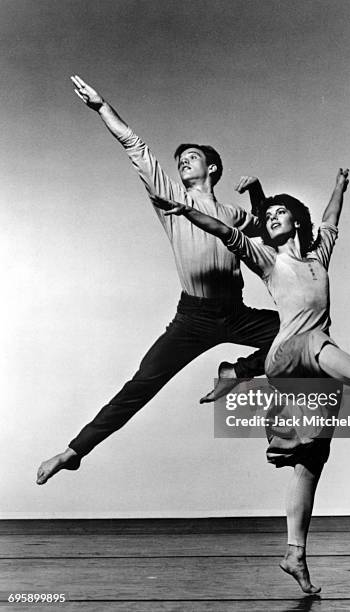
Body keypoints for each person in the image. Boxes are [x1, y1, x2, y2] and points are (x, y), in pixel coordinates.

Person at [150, 168, 350, 594]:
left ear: (296, 220)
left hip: (320, 371)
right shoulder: (268, 260)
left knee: (310, 464)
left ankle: (295, 554)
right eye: (267, 216)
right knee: (316, 336)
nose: (271, 218)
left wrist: (339, 187)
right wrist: (189, 211)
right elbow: (224, 230)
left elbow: (331, 220)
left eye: (279, 212)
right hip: (288, 353)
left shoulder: (318, 257)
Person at [36, 75, 280, 485]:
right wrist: (102, 107)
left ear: (212, 167)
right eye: (180, 158)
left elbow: (269, 228)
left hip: (236, 314)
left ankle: (237, 372)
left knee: (300, 333)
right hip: (194, 317)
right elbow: (136, 146)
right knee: (142, 385)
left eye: (192, 156)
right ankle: (74, 451)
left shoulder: (234, 213)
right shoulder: (171, 199)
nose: (183, 160)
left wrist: (257, 191)